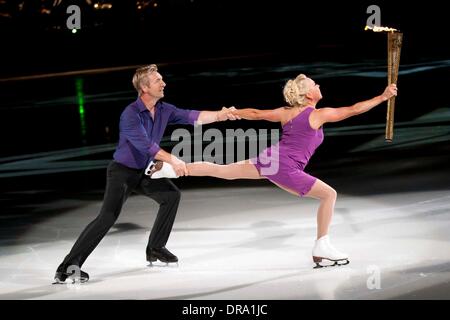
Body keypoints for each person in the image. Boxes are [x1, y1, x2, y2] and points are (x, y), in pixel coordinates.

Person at [150, 74, 398, 268]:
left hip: (271, 160)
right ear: (307, 94)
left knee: (223, 171)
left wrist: (232, 113)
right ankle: (322, 245)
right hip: (285, 166)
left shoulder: (286, 112)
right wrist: (383, 96)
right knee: (329, 195)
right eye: (314, 84)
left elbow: (256, 114)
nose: (318, 85)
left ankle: (169, 169)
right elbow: (354, 109)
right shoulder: (317, 115)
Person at [54, 64, 237, 283]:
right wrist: (172, 160)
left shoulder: (163, 109)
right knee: (107, 217)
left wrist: (220, 115)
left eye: (162, 79)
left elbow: (191, 116)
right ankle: (68, 267)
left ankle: (156, 248)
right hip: (122, 172)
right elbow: (146, 146)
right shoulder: (130, 114)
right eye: (158, 80)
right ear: (144, 87)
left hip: (144, 171)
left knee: (171, 196)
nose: (164, 83)